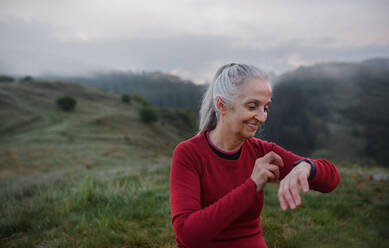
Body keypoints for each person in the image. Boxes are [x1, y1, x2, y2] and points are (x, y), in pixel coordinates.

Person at [169, 63, 340, 248]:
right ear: (221, 105)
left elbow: (331, 181)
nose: (262, 117)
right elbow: (188, 234)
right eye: (252, 106)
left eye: (265, 108)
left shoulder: (262, 152)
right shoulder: (189, 154)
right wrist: (252, 185)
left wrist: (307, 167)